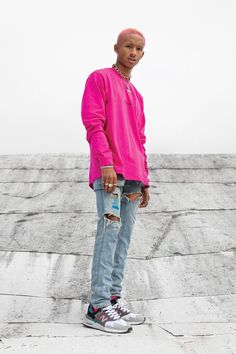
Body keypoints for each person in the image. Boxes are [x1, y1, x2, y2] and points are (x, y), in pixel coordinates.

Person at [81, 28, 150, 334]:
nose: (133, 52)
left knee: (123, 240)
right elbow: (93, 122)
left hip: (134, 178)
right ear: (116, 48)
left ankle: (113, 297)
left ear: (142, 54)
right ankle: (96, 307)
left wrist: (145, 179)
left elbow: (140, 138)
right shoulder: (100, 78)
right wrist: (106, 162)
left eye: (138, 48)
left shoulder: (137, 94)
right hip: (111, 174)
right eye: (128, 46)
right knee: (108, 235)